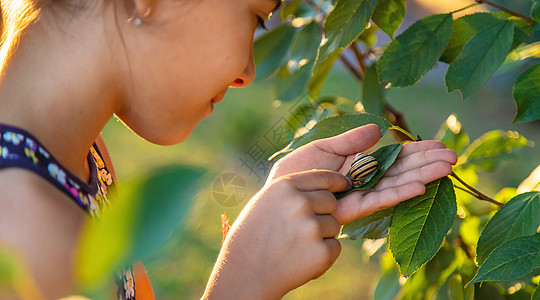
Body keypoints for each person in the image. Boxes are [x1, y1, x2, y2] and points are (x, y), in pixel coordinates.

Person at [0, 0, 458, 299]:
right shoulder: (25, 236)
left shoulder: (76, 157)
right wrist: (242, 284)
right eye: (256, 17)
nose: (247, 72)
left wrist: (259, 240)